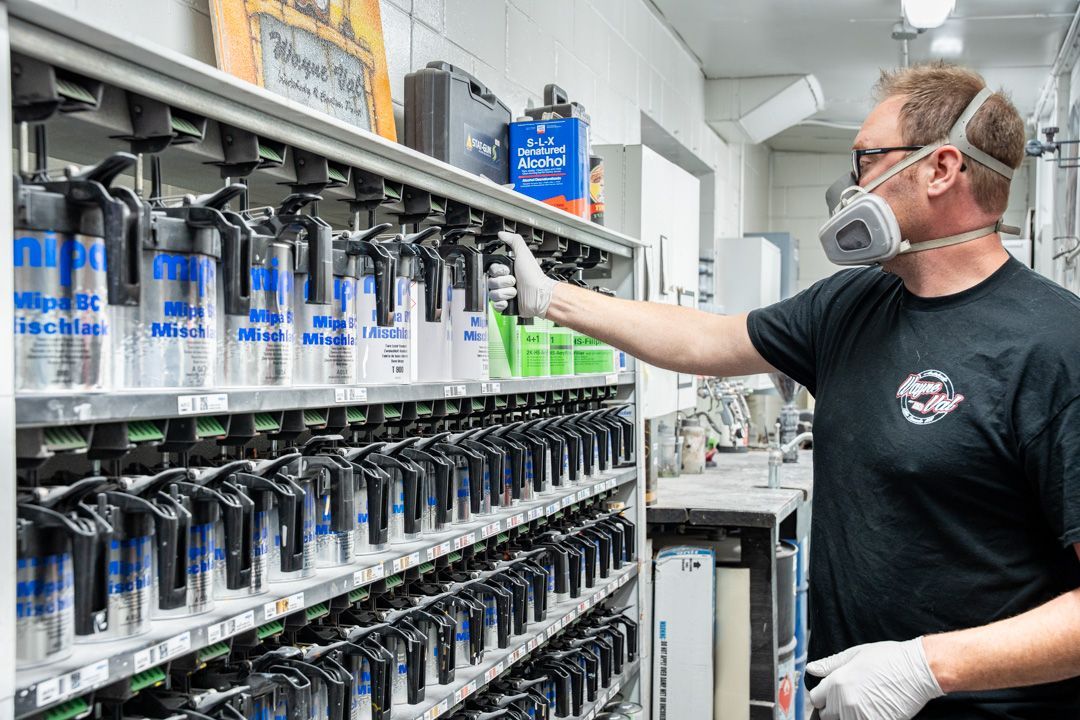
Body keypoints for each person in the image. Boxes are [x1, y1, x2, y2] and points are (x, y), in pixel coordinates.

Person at [486, 63, 1080, 720]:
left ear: (941, 169)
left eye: (867, 158)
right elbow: (707, 340)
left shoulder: (1057, 346)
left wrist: (927, 667)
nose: (852, 185)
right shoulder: (853, 304)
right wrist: (554, 298)